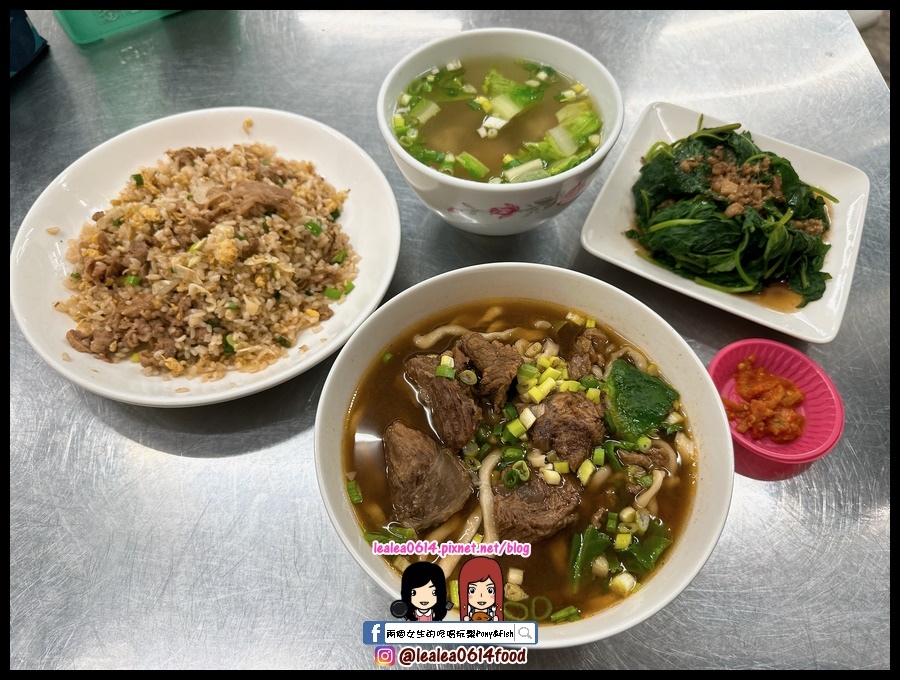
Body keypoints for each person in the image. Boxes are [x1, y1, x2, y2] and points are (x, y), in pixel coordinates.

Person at [459, 556, 504, 621]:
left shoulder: (494, 612)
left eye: (490, 590)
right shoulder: (467, 612)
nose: (481, 596)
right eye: (472, 590)